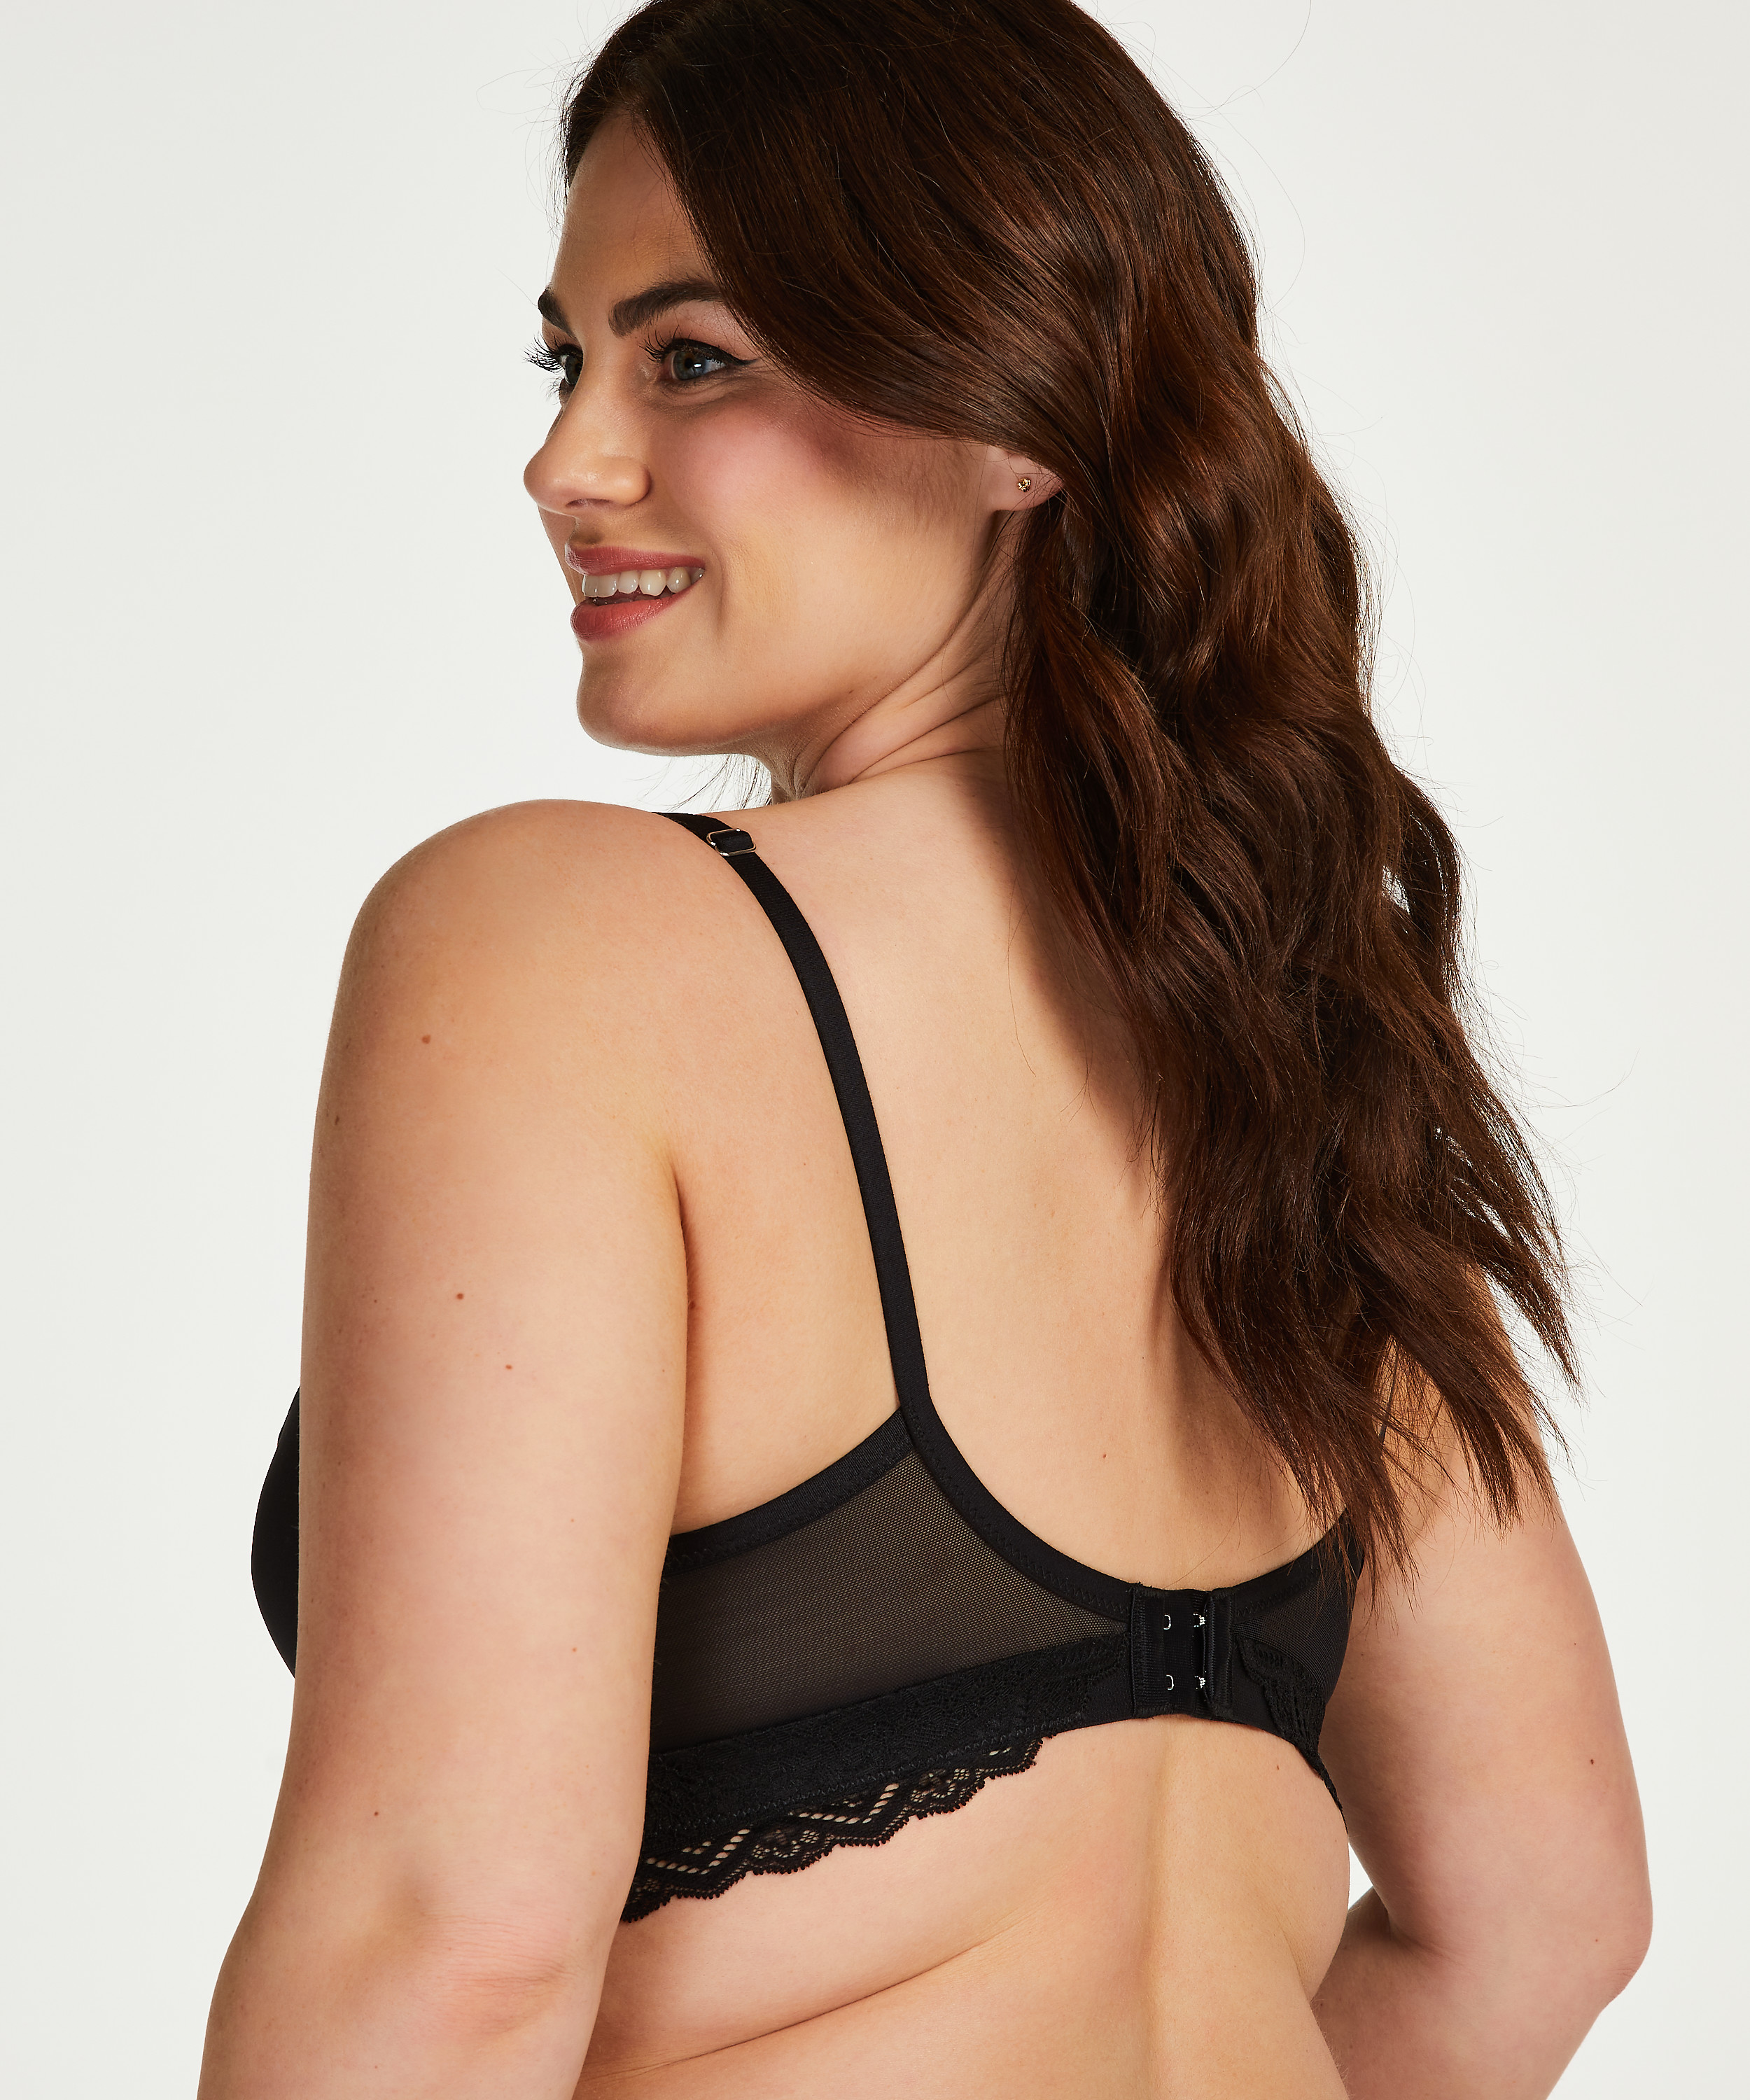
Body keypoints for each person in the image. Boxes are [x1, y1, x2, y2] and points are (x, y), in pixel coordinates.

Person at [199, 2, 1649, 2092]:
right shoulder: (1298, 1059)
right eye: (566, 359)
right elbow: (1541, 1913)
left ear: (1015, 415)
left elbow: (451, 1942)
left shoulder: (561, 947)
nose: (565, 463)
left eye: (693, 360)